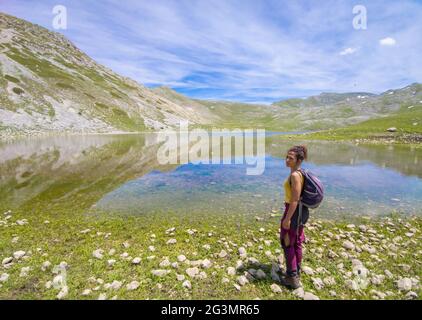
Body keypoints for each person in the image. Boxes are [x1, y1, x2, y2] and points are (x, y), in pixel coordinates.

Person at [279, 145, 310, 289]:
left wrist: (287, 219)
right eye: (287, 157)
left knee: (287, 242)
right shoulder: (300, 173)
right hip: (300, 212)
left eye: (290, 158)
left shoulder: (295, 175)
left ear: (298, 160)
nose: (287, 160)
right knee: (296, 241)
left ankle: (292, 277)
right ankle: (296, 271)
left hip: (293, 211)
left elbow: (295, 200)